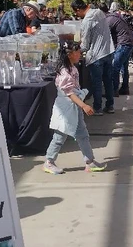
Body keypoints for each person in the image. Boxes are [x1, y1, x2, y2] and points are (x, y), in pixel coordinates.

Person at [44, 42, 106, 174]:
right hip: (66, 109)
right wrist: (83, 105)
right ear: (70, 54)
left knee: (82, 134)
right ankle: (49, 161)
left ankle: (89, 161)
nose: (80, 54)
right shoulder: (65, 72)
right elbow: (69, 93)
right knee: (60, 136)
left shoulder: (72, 68)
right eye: (78, 51)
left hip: (74, 107)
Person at [72, 0, 116, 115]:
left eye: (76, 13)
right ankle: (110, 105)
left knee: (97, 83)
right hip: (108, 51)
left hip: (96, 56)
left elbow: (85, 45)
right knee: (107, 81)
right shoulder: (99, 12)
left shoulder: (87, 21)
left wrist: (75, 50)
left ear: (78, 10)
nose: (77, 16)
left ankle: (98, 108)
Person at [102, 3, 133, 96]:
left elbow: (105, 36)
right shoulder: (115, 17)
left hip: (123, 43)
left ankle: (113, 90)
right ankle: (124, 88)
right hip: (129, 42)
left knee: (114, 67)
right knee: (123, 67)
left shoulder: (109, 20)